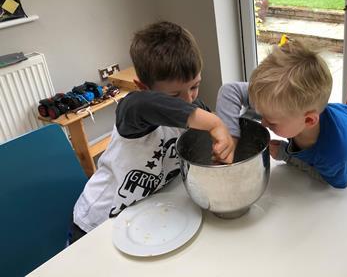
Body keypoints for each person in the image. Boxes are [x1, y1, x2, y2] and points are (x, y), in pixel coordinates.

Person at [70, 21, 234, 243]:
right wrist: (215, 123)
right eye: (175, 95)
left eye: (194, 86)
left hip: (143, 216)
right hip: (97, 224)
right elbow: (144, 104)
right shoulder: (134, 114)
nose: (189, 100)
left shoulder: (198, 112)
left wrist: (219, 149)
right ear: (143, 87)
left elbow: (205, 143)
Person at [216, 39, 347, 189]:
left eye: (272, 122)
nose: (264, 124)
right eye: (263, 116)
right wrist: (230, 137)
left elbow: (337, 182)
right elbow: (230, 91)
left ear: (308, 120)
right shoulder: (279, 103)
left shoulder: (333, 152)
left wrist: (287, 156)